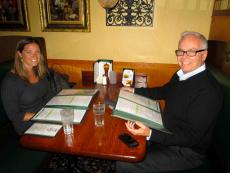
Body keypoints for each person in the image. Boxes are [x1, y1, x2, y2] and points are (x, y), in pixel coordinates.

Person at [116, 31, 223, 172]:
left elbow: (191, 137)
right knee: (122, 139)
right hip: (166, 133)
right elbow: (164, 91)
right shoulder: (182, 74)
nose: (184, 57)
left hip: (186, 152)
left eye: (191, 52)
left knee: (124, 162)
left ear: (204, 55)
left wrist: (150, 134)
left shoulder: (209, 91)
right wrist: (135, 91)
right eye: (181, 51)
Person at [1, 37, 55, 135]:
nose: (34, 55)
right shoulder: (10, 81)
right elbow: (14, 115)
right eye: (29, 52)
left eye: (37, 52)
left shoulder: (40, 71)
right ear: (20, 54)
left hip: (45, 116)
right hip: (27, 125)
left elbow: (49, 95)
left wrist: (57, 108)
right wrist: (41, 116)